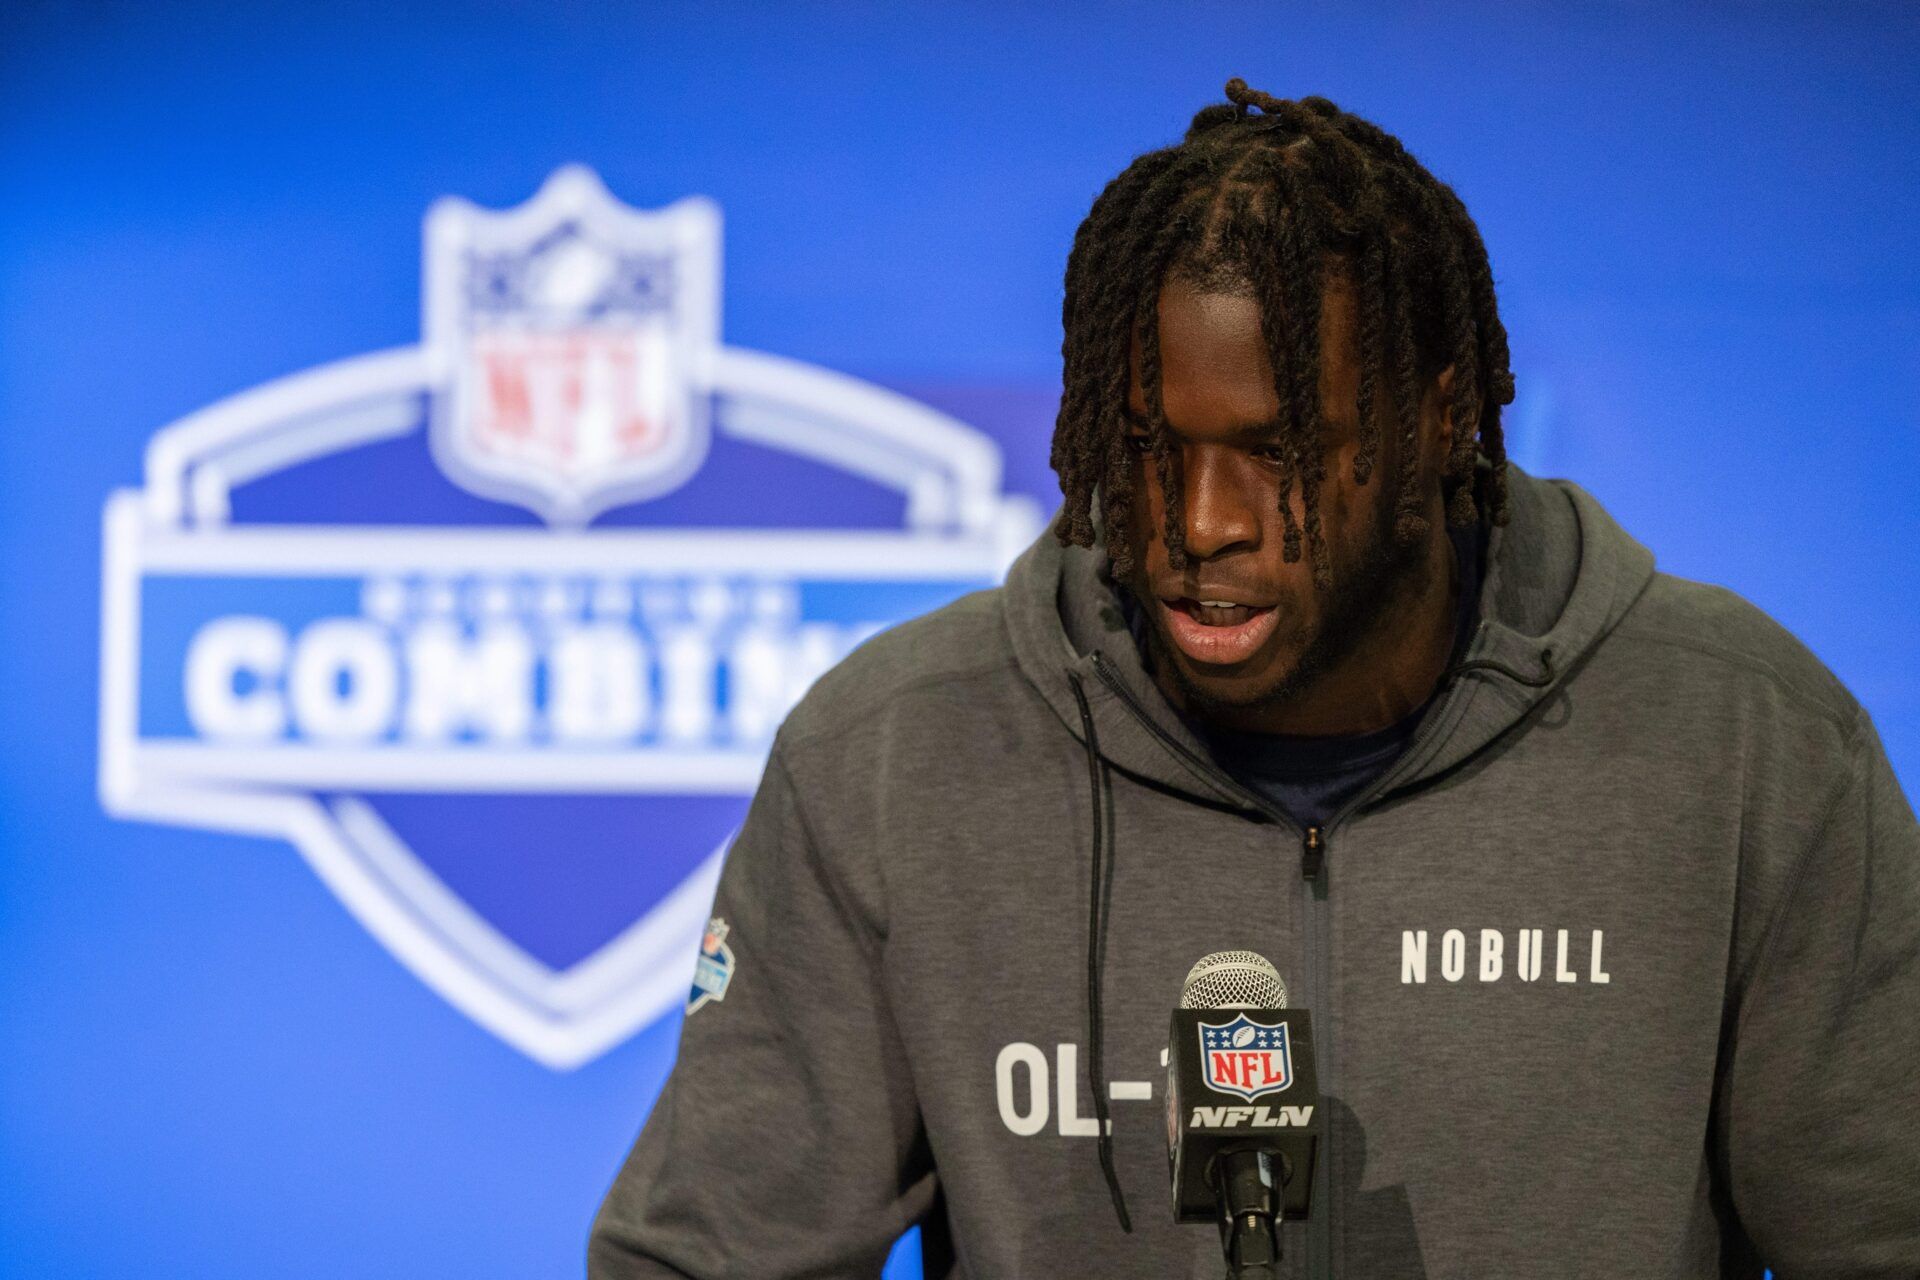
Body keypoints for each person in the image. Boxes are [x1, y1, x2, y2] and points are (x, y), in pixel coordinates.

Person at [589, 79, 1919, 1278]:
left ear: (1438, 417)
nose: (1198, 522)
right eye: (1149, 447)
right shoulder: (894, 758)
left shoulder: (1746, 744)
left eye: (1279, 453)